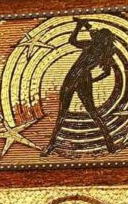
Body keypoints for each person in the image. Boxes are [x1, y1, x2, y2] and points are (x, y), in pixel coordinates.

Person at [43, 18, 118, 156]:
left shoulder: (91, 46)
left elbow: (72, 41)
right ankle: (110, 144)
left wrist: (78, 26)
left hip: (73, 77)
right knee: (92, 113)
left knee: (63, 113)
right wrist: (93, 80)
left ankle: (51, 145)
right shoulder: (102, 52)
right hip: (83, 79)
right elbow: (107, 73)